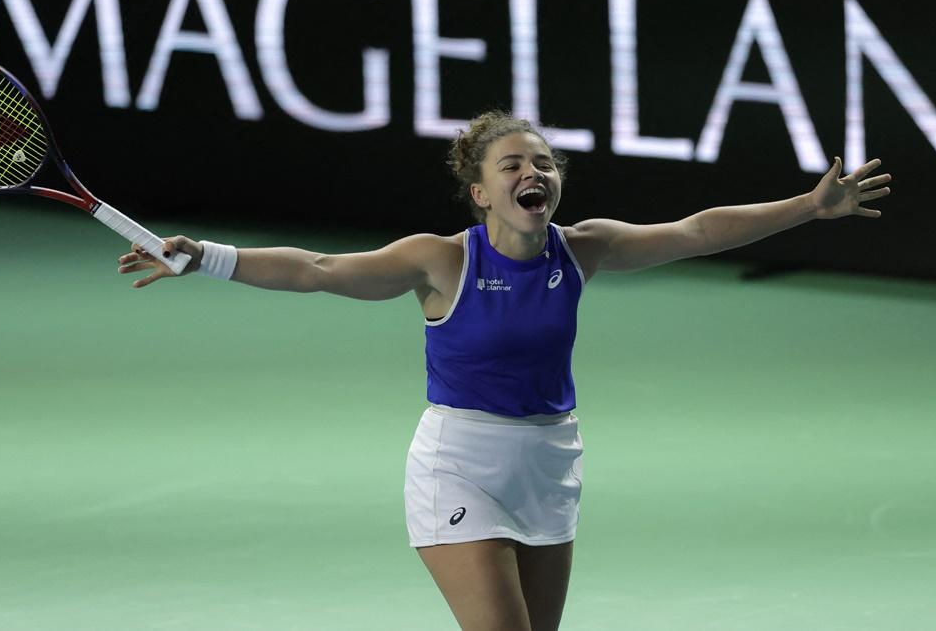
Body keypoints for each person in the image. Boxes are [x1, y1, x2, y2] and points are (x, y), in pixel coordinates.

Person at [117, 111, 891, 631]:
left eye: (546, 162)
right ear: (482, 191)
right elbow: (318, 268)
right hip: (461, 465)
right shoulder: (440, 261)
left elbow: (694, 230)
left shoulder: (586, 249)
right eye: (514, 163)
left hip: (551, 465)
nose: (536, 171)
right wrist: (207, 259)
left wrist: (807, 206)